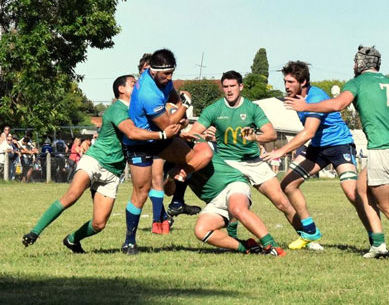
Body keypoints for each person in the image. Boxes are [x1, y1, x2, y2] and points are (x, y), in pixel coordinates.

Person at [286, 45, 389, 261]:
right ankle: (378, 244)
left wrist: (304, 107)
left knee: (386, 204)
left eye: (354, 61)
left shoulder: (357, 83)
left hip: (382, 150)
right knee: (361, 188)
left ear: (360, 64)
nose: (352, 65)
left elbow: (336, 105)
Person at [22, 75, 181, 253]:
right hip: (95, 160)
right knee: (72, 195)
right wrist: (162, 135)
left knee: (99, 224)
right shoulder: (117, 109)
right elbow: (133, 132)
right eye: (133, 84)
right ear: (121, 89)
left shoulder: (138, 111)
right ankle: (34, 232)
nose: (137, 87)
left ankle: (72, 240)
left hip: (113, 172)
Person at [263, 61, 371, 250]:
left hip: (339, 146)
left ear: (303, 82)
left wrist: (280, 151)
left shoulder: (315, 97)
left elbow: (308, 132)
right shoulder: (296, 99)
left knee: (352, 193)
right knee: (288, 184)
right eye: (285, 81)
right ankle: (310, 231)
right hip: (317, 148)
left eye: (290, 82)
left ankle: (375, 237)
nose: (286, 86)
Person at [188, 70, 302, 243]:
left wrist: (254, 137)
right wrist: (205, 136)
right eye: (225, 87)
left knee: (282, 202)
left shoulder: (252, 108)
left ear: (240, 86)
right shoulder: (214, 109)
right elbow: (193, 133)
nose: (229, 90)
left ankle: (306, 237)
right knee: (234, 204)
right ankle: (234, 237)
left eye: (232, 86)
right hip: (228, 163)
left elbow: (270, 134)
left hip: (253, 162)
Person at [122, 49, 213, 254]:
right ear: (153, 71)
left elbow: (174, 102)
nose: (170, 78)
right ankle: (129, 241)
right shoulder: (147, 92)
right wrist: (184, 109)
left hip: (162, 139)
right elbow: (167, 124)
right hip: (141, 143)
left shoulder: (162, 79)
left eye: (172, 73)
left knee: (204, 153)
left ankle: (175, 177)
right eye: (166, 74)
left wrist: (179, 113)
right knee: (141, 193)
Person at [164, 140, 286, 257]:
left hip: (232, 184)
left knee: (237, 208)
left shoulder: (195, 144)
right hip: (214, 201)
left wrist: (185, 170)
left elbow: (206, 155)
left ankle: (272, 246)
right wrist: (170, 177)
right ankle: (246, 247)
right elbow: (169, 192)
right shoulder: (169, 164)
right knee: (201, 231)